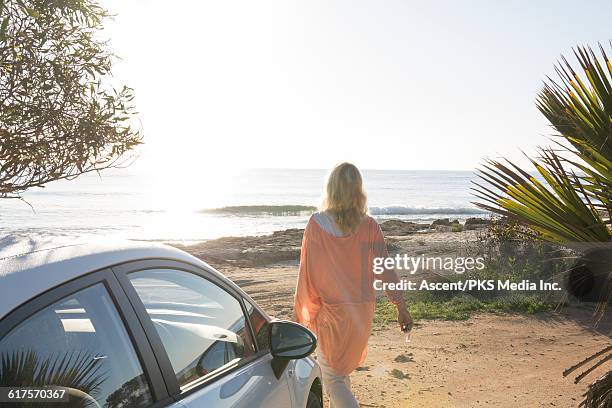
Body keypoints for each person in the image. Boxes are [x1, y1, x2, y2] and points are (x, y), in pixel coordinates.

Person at [294, 162, 412, 408]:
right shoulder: (369, 226)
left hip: (332, 313)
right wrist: (400, 306)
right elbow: (385, 271)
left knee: (333, 379)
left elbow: (308, 275)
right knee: (340, 374)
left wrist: (302, 316)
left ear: (331, 188)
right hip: (361, 312)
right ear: (358, 190)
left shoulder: (316, 224)